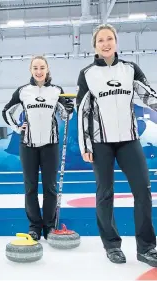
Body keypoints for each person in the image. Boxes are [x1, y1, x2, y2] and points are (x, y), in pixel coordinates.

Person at [76, 24, 157, 266]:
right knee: (104, 194)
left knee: (142, 190)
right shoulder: (87, 73)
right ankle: (111, 245)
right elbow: (82, 113)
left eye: (109, 38)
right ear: (95, 45)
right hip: (101, 143)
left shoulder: (130, 69)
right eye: (101, 40)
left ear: (116, 42)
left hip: (129, 140)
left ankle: (146, 247)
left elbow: (148, 96)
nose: (106, 43)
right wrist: (85, 145)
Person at [2, 56, 74, 241]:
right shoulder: (23, 91)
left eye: (42, 67)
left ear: (47, 69)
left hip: (50, 144)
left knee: (50, 187)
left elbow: (66, 116)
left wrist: (69, 109)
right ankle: (34, 226)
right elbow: (7, 111)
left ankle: (49, 227)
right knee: (30, 187)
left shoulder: (56, 91)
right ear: (30, 70)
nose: (39, 71)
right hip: (28, 145)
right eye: (35, 67)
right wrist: (18, 128)